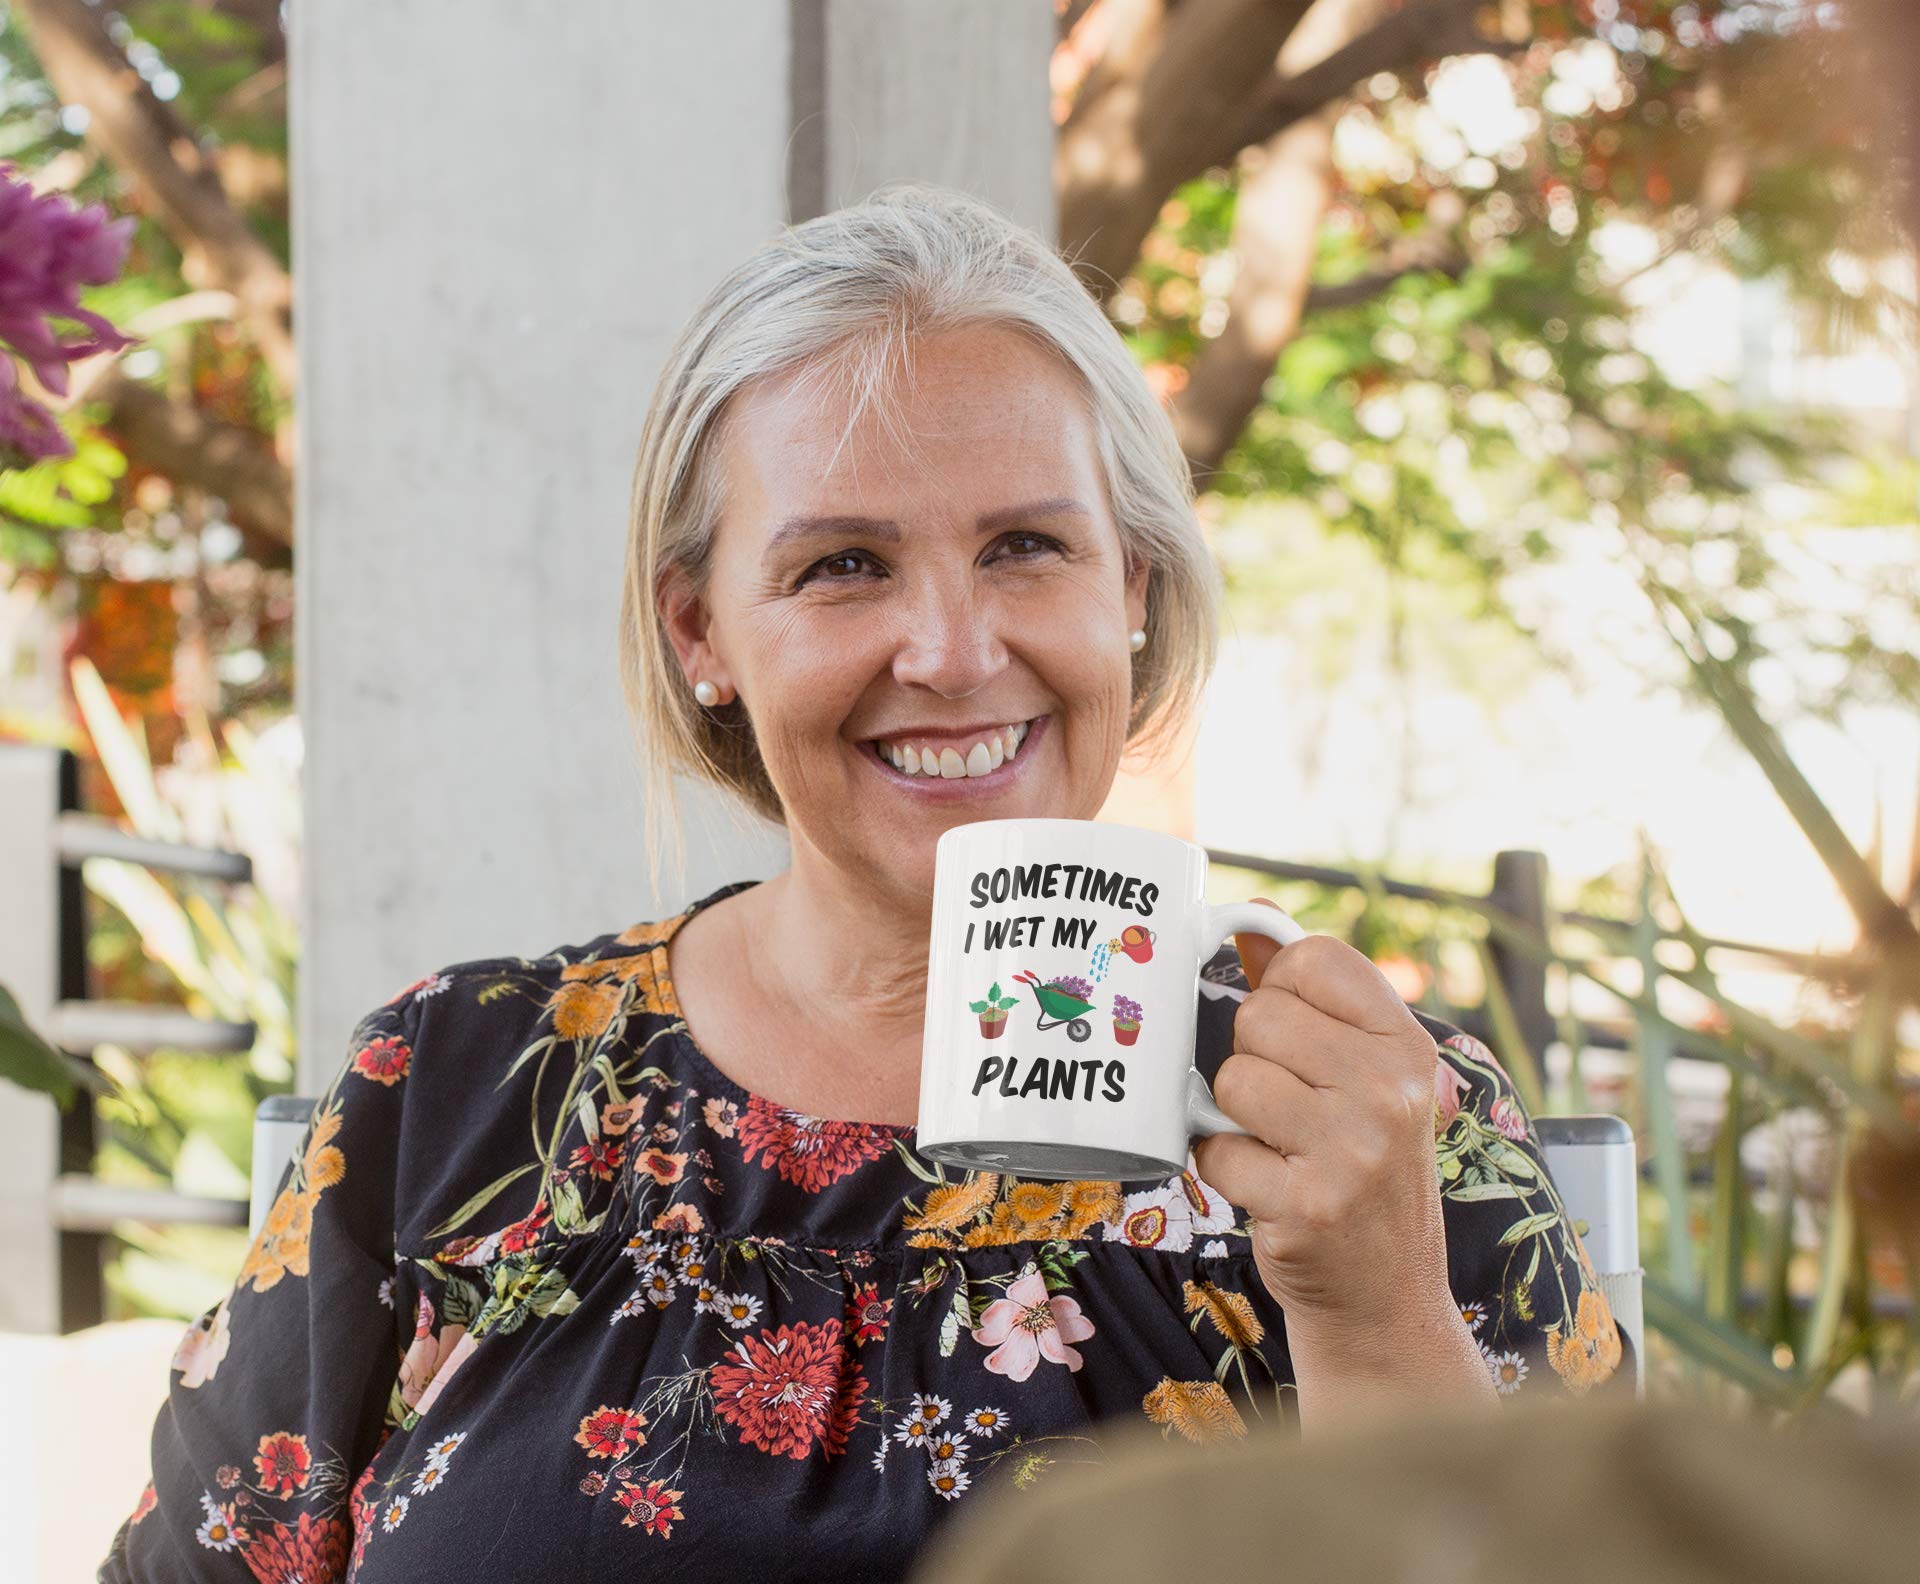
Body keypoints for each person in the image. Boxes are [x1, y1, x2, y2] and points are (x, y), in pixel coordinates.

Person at [100, 181, 1630, 1583]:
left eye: (1029, 545)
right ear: (702, 631)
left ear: (1132, 596)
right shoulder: (459, 1090)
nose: (956, 656)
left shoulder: (1372, 1136)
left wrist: (1376, 1320)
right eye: (843, 566)